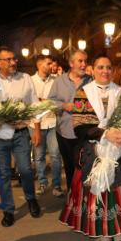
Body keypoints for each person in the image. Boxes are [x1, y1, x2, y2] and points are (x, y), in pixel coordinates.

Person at [60, 55, 121, 241]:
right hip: (95, 153)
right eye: (100, 67)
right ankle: (105, 240)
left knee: (118, 195)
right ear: (92, 70)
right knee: (101, 199)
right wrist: (106, 134)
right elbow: (80, 127)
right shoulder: (83, 93)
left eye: (108, 67)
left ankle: (119, 237)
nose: (105, 70)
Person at [0, 46, 42, 227]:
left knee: (26, 170)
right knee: (4, 174)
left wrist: (36, 129)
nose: (13, 62)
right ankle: (8, 210)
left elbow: (34, 104)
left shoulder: (25, 78)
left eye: (14, 59)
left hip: (21, 132)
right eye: (9, 59)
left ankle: (30, 198)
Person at [48, 50, 92, 192]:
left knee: (86, 167)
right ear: (71, 63)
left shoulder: (91, 81)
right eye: (80, 61)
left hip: (86, 132)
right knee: (69, 167)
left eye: (85, 61)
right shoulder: (59, 81)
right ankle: (72, 199)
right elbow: (50, 102)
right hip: (65, 131)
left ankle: (85, 199)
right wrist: (63, 106)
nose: (84, 64)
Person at [30, 55, 63, 198]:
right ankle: (42, 182)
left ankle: (56, 185)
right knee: (39, 156)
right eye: (48, 63)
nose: (51, 66)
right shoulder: (30, 81)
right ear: (39, 65)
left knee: (55, 155)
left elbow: (59, 100)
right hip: (34, 124)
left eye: (52, 63)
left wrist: (45, 101)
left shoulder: (56, 80)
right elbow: (30, 104)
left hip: (53, 122)